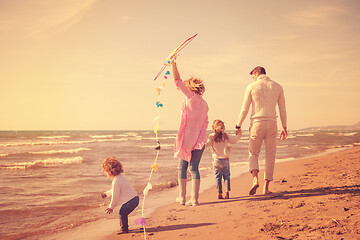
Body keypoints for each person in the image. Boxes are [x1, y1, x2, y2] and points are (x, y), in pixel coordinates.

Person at [236, 66, 287, 195]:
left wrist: (238, 125)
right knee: (270, 155)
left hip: (256, 124)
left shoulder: (251, 87)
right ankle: (266, 188)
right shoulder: (278, 86)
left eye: (252, 75)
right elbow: (282, 109)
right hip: (271, 123)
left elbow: (244, 109)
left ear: (256, 73)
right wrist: (284, 127)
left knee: (253, 153)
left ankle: (254, 180)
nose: (252, 78)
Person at [172, 59, 209, 206]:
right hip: (200, 140)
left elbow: (177, 81)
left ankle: (182, 197)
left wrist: (173, 64)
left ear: (191, 88)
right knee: (194, 168)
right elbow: (205, 123)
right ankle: (194, 199)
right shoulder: (205, 104)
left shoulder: (191, 98)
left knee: (182, 167)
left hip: (188, 139)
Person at [101, 157, 139, 234]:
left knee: (122, 213)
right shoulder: (121, 177)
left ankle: (124, 229)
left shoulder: (115, 181)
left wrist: (111, 207)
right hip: (135, 199)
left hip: (130, 201)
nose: (106, 174)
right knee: (123, 212)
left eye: (106, 172)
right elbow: (115, 190)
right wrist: (107, 193)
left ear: (110, 171)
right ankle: (125, 227)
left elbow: (115, 195)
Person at [206, 119, 241, 199]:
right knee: (226, 176)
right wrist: (239, 134)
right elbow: (234, 140)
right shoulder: (226, 135)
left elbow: (206, 144)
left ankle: (219, 193)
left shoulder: (211, 136)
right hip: (225, 159)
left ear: (213, 128)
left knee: (217, 177)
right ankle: (227, 191)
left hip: (216, 160)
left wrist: (199, 142)